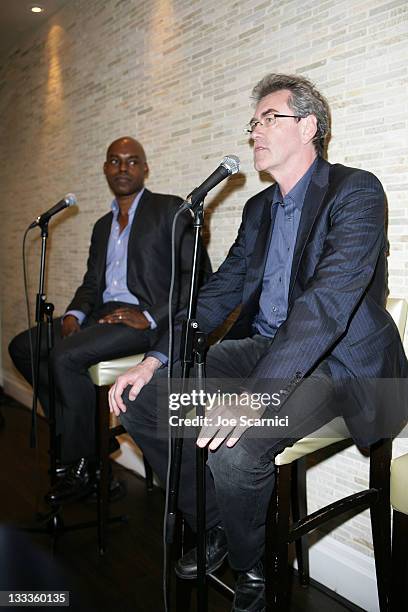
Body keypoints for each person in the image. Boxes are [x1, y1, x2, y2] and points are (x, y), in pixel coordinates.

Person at [108, 76, 408, 612]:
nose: (256, 132)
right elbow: (216, 295)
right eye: (254, 122)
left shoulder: (356, 191)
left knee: (238, 443)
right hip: (267, 348)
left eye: (270, 118)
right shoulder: (259, 210)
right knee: (143, 398)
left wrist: (254, 396)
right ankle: (219, 522)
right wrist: (154, 359)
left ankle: (256, 570)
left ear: (309, 127)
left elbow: (326, 307)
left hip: (340, 365)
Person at [9, 136, 211, 505]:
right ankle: (93, 438)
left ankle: (84, 463)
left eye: (132, 161)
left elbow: (196, 278)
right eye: (115, 161)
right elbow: (91, 283)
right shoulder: (102, 225)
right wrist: (74, 314)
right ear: (105, 168)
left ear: (145, 169)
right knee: (23, 347)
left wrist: (150, 316)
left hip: (144, 323)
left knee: (65, 357)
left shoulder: (171, 211)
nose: (122, 168)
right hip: (102, 317)